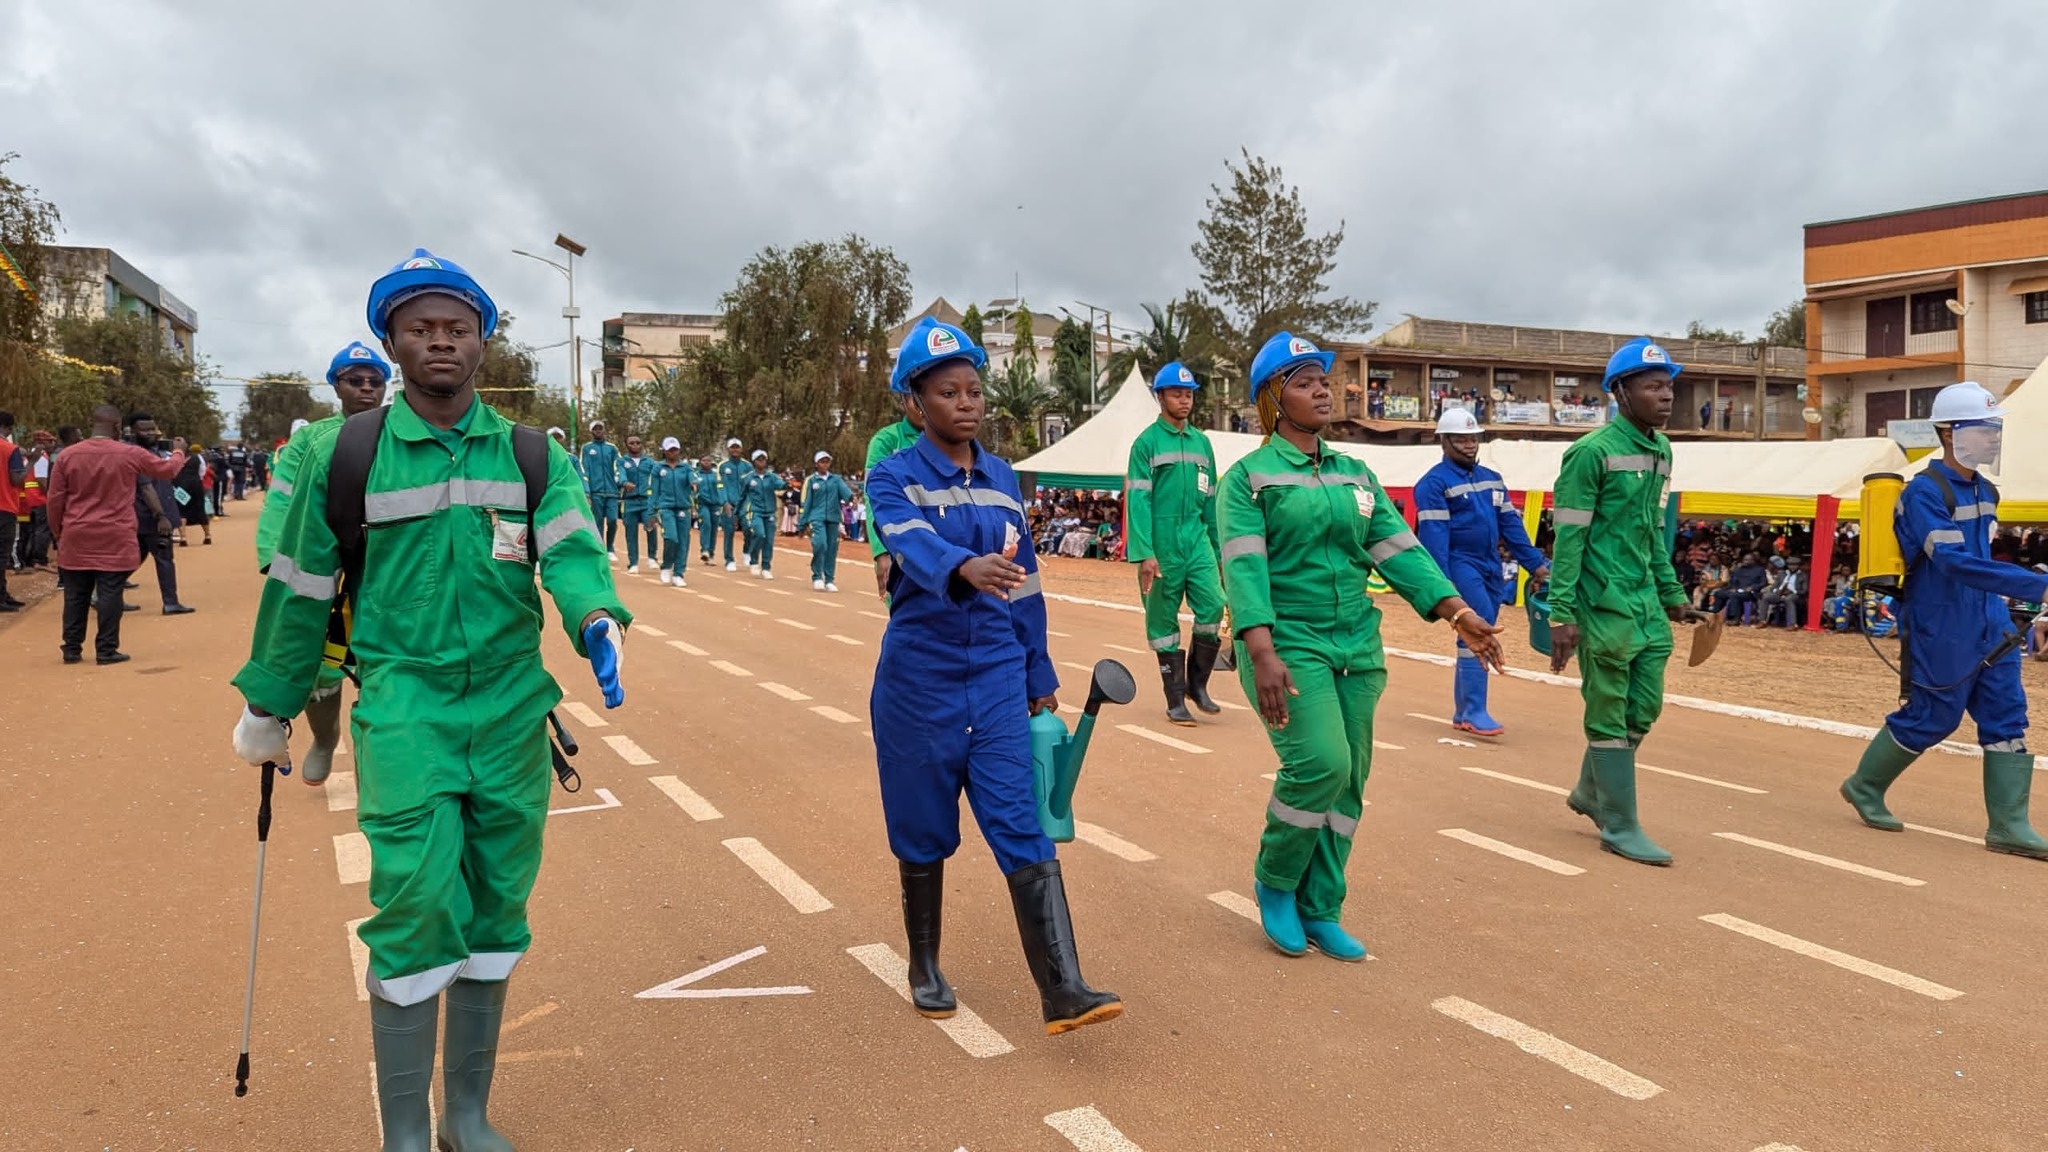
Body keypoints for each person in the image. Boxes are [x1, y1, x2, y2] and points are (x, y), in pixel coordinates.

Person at [229, 249, 630, 1149]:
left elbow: (569, 547)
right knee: (413, 902)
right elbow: (299, 584)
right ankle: (405, 1129)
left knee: (496, 906)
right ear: (391, 343)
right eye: (421, 329)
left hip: (512, 708)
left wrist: (595, 615)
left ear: (484, 340)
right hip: (405, 703)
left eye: (457, 328)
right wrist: (271, 702)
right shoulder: (349, 454)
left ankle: (467, 1117)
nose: (440, 342)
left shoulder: (532, 453)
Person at [867, 315, 1119, 1035]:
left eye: (975, 390)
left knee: (1021, 821)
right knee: (922, 829)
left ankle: (1063, 988)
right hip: (921, 682)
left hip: (1001, 680)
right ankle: (924, 963)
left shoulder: (1007, 478)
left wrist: (1039, 670)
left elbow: (1029, 582)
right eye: (949, 392)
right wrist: (960, 566)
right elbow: (905, 538)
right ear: (917, 404)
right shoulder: (894, 476)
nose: (967, 403)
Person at [1221, 332, 1499, 962]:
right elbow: (1243, 566)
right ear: (1272, 398)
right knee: (1321, 765)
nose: (1322, 389)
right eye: (1303, 381)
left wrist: (1457, 611)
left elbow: (1398, 549)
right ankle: (1277, 881)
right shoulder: (1249, 479)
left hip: (1357, 646)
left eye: (1324, 378)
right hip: (1289, 643)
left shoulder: (1356, 473)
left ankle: (1322, 906)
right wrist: (1260, 651)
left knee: (1350, 787)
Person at [1841, 381, 2048, 859]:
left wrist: (2013, 595)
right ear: (1948, 432)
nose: (1994, 437)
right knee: (1933, 716)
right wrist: (2034, 585)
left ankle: (2009, 826)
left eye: (1996, 428)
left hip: (1990, 619)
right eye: (1984, 428)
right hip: (1940, 620)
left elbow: (1980, 556)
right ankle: (1864, 786)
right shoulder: (1922, 494)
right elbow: (1952, 563)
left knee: (2008, 717)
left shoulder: (1988, 489)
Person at [1547, 338, 1701, 867]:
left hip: (1645, 603)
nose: (1666, 396)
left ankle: (1592, 793)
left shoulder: (1662, 451)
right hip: (1600, 601)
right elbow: (1567, 540)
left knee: (1646, 706)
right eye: (1653, 386)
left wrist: (1674, 596)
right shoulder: (1589, 453)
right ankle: (1619, 823)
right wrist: (1561, 613)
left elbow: (1654, 533)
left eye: (1669, 386)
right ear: (1621, 391)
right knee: (1609, 708)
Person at [254, 340, 392, 785]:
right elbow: (282, 504)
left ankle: (382, 751)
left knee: (390, 659)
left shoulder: (402, 433)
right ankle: (325, 738)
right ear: (337, 386)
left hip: (387, 570)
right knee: (322, 665)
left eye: (375, 381)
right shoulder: (310, 442)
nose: (367, 389)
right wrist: (276, 562)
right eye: (356, 381)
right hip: (327, 570)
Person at [1414, 407, 1549, 737]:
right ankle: (1474, 709)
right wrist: (1442, 586)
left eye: (1473, 438)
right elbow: (1435, 538)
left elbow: (1511, 526)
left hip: (1490, 565)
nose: (1469, 445)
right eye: (1460, 439)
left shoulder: (1492, 478)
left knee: (1473, 632)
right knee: (1481, 630)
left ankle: (1465, 711)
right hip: (1461, 564)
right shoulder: (1432, 484)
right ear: (1444, 441)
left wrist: (1537, 566)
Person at [1125, 361, 1226, 727]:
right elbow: (1138, 500)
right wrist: (1144, 553)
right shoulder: (1146, 444)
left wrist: (1217, 551)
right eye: (1176, 394)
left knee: (1214, 604)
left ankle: (1197, 686)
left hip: (1196, 537)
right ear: (1160, 397)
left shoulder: (1202, 443)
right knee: (1164, 622)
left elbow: (1211, 499)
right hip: (1161, 542)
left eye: (1188, 394)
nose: (1184, 400)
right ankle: (1174, 699)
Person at [46, 405, 186, 663]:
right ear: (119, 427)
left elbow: (55, 499)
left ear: (92, 423)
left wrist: (58, 531)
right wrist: (179, 451)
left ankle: (71, 649)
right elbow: (166, 470)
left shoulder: (68, 456)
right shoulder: (130, 454)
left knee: (76, 593)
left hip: (77, 533)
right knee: (111, 591)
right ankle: (106, 649)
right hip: (115, 534)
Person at [127, 412, 192, 616]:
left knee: (135, 558)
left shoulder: (155, 451)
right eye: (144, 429)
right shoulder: (136, 454)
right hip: (150, 516)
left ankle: (103, 594)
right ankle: (171, 602)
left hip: (147, 516)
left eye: (152, 428)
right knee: (164, 559)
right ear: (132, 431)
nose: (149, 433)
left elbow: (166, 475)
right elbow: (147, 489)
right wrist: (161, 516)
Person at [865, 385, 926, 598]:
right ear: (902, 403)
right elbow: (872, 497)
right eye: (915, 401)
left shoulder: (950, 442)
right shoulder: (886, 441)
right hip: (899, 547)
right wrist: (881, 552)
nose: (922, 408)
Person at [801, 450, 854, 592]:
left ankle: (829, 579)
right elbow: (807, 502)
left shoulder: (836, 480)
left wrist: (851, 498)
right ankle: (817, 576)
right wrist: (803, 522)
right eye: (822, 461)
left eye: (827, 461)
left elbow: (846, 493)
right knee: (820, 544)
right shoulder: (812, 481)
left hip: (833, 517)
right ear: (816, 464)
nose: (825, 464)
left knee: (832, 549)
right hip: (816, 517)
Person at [650, 436, 695, 587]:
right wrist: (651, 511)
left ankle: (679, 573)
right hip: (665, 508)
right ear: (664, 451)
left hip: (683, 508)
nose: (672, 452)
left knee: (683, 541)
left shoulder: (686, 468)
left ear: (679, 450)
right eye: (669, 450)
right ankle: (666, 566)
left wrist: (694, 484)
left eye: (675, 449)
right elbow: (654, 491)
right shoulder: (658, 468)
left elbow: (692, 479)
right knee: (671, 538)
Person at [737, 448, 785, 578]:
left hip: (769, 512)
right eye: (759, 459)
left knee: (769, 540)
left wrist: (786, 485)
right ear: (754, 462)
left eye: (763, 459)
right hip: (754, 511)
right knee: (759, 534)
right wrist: (737, 513)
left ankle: (766, 567)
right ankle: (753, 560)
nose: (762, 462)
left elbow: (780, 485)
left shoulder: (772, 477)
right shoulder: (748, 478)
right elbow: (742, 496)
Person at [581, 420, 622, 560]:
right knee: (598, 521)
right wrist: (587, 488)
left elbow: (618, 465)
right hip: (596, 491)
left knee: (612, 520)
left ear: (604, 431)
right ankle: (600, 547)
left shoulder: (612, 448)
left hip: (611, 491)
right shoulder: (587, 448)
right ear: (591, 431)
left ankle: (610, 547)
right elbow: (584, 468)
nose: (598, 431)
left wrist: (619, 479)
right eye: (595, 429)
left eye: (600, 429)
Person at [617, 433, 656, 574]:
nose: (635, 445)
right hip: (630, 501)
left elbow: (657, 475)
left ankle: (652, 557)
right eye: (632, 443)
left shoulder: (649, 462)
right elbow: (620, 475)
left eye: (638, 442)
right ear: (626, 445)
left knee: (651, 526)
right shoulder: (622, 461)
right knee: (631, 533)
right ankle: (633, 562)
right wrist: (624, 482)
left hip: (647, 500)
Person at [716, 438, 752, 571]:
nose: (735, 450)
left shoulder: (747, 466)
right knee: (729, 532)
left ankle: (747, 551)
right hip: (729, 504)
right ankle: (729, 559)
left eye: (737, 447)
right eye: (732, 447)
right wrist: (725, 502)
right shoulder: (723, 466)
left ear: (741, 449)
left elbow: (751, 485)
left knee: (749, 529)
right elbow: (720, 486)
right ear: (728, 449)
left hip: (744, 504)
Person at [0, 412, 23, 611]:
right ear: (8, 428)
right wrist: (30, 462)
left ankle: (3, 594)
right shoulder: (10, 449)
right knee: (2, 555)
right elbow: (17, 480)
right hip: (4, 507)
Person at [172, 435, 212, 546]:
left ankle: (183, 538)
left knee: (181, 510)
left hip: (180, 486)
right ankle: (207, 536)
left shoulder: (172, 457)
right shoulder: (197, 457)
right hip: (196, 485)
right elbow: (202, 472)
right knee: (200, 508)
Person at [693, 452, 724, 562]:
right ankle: (704, 550)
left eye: (709, 461)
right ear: (700, 462)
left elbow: (721, 488)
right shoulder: (696, 474)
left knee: (714, 528)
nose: (707, 463)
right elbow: (692, 489)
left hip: (715, 505)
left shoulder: (715, 475)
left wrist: (723, 501)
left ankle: (711, 554)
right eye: (704, 461)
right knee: (706, 525)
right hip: (702, 504)